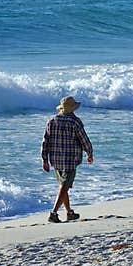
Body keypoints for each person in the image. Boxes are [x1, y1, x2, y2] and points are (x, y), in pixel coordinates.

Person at [41, 95, 94, 223]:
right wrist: (89, 153)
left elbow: (45, 141)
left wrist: (44, 159)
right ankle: (53, 213)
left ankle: (69, 212)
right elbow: (84, 139)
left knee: (62, 185)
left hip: (55, 159)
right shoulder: (75, 122)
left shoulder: (52, 121)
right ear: (73, 109)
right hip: (71, 159)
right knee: (64, 186)